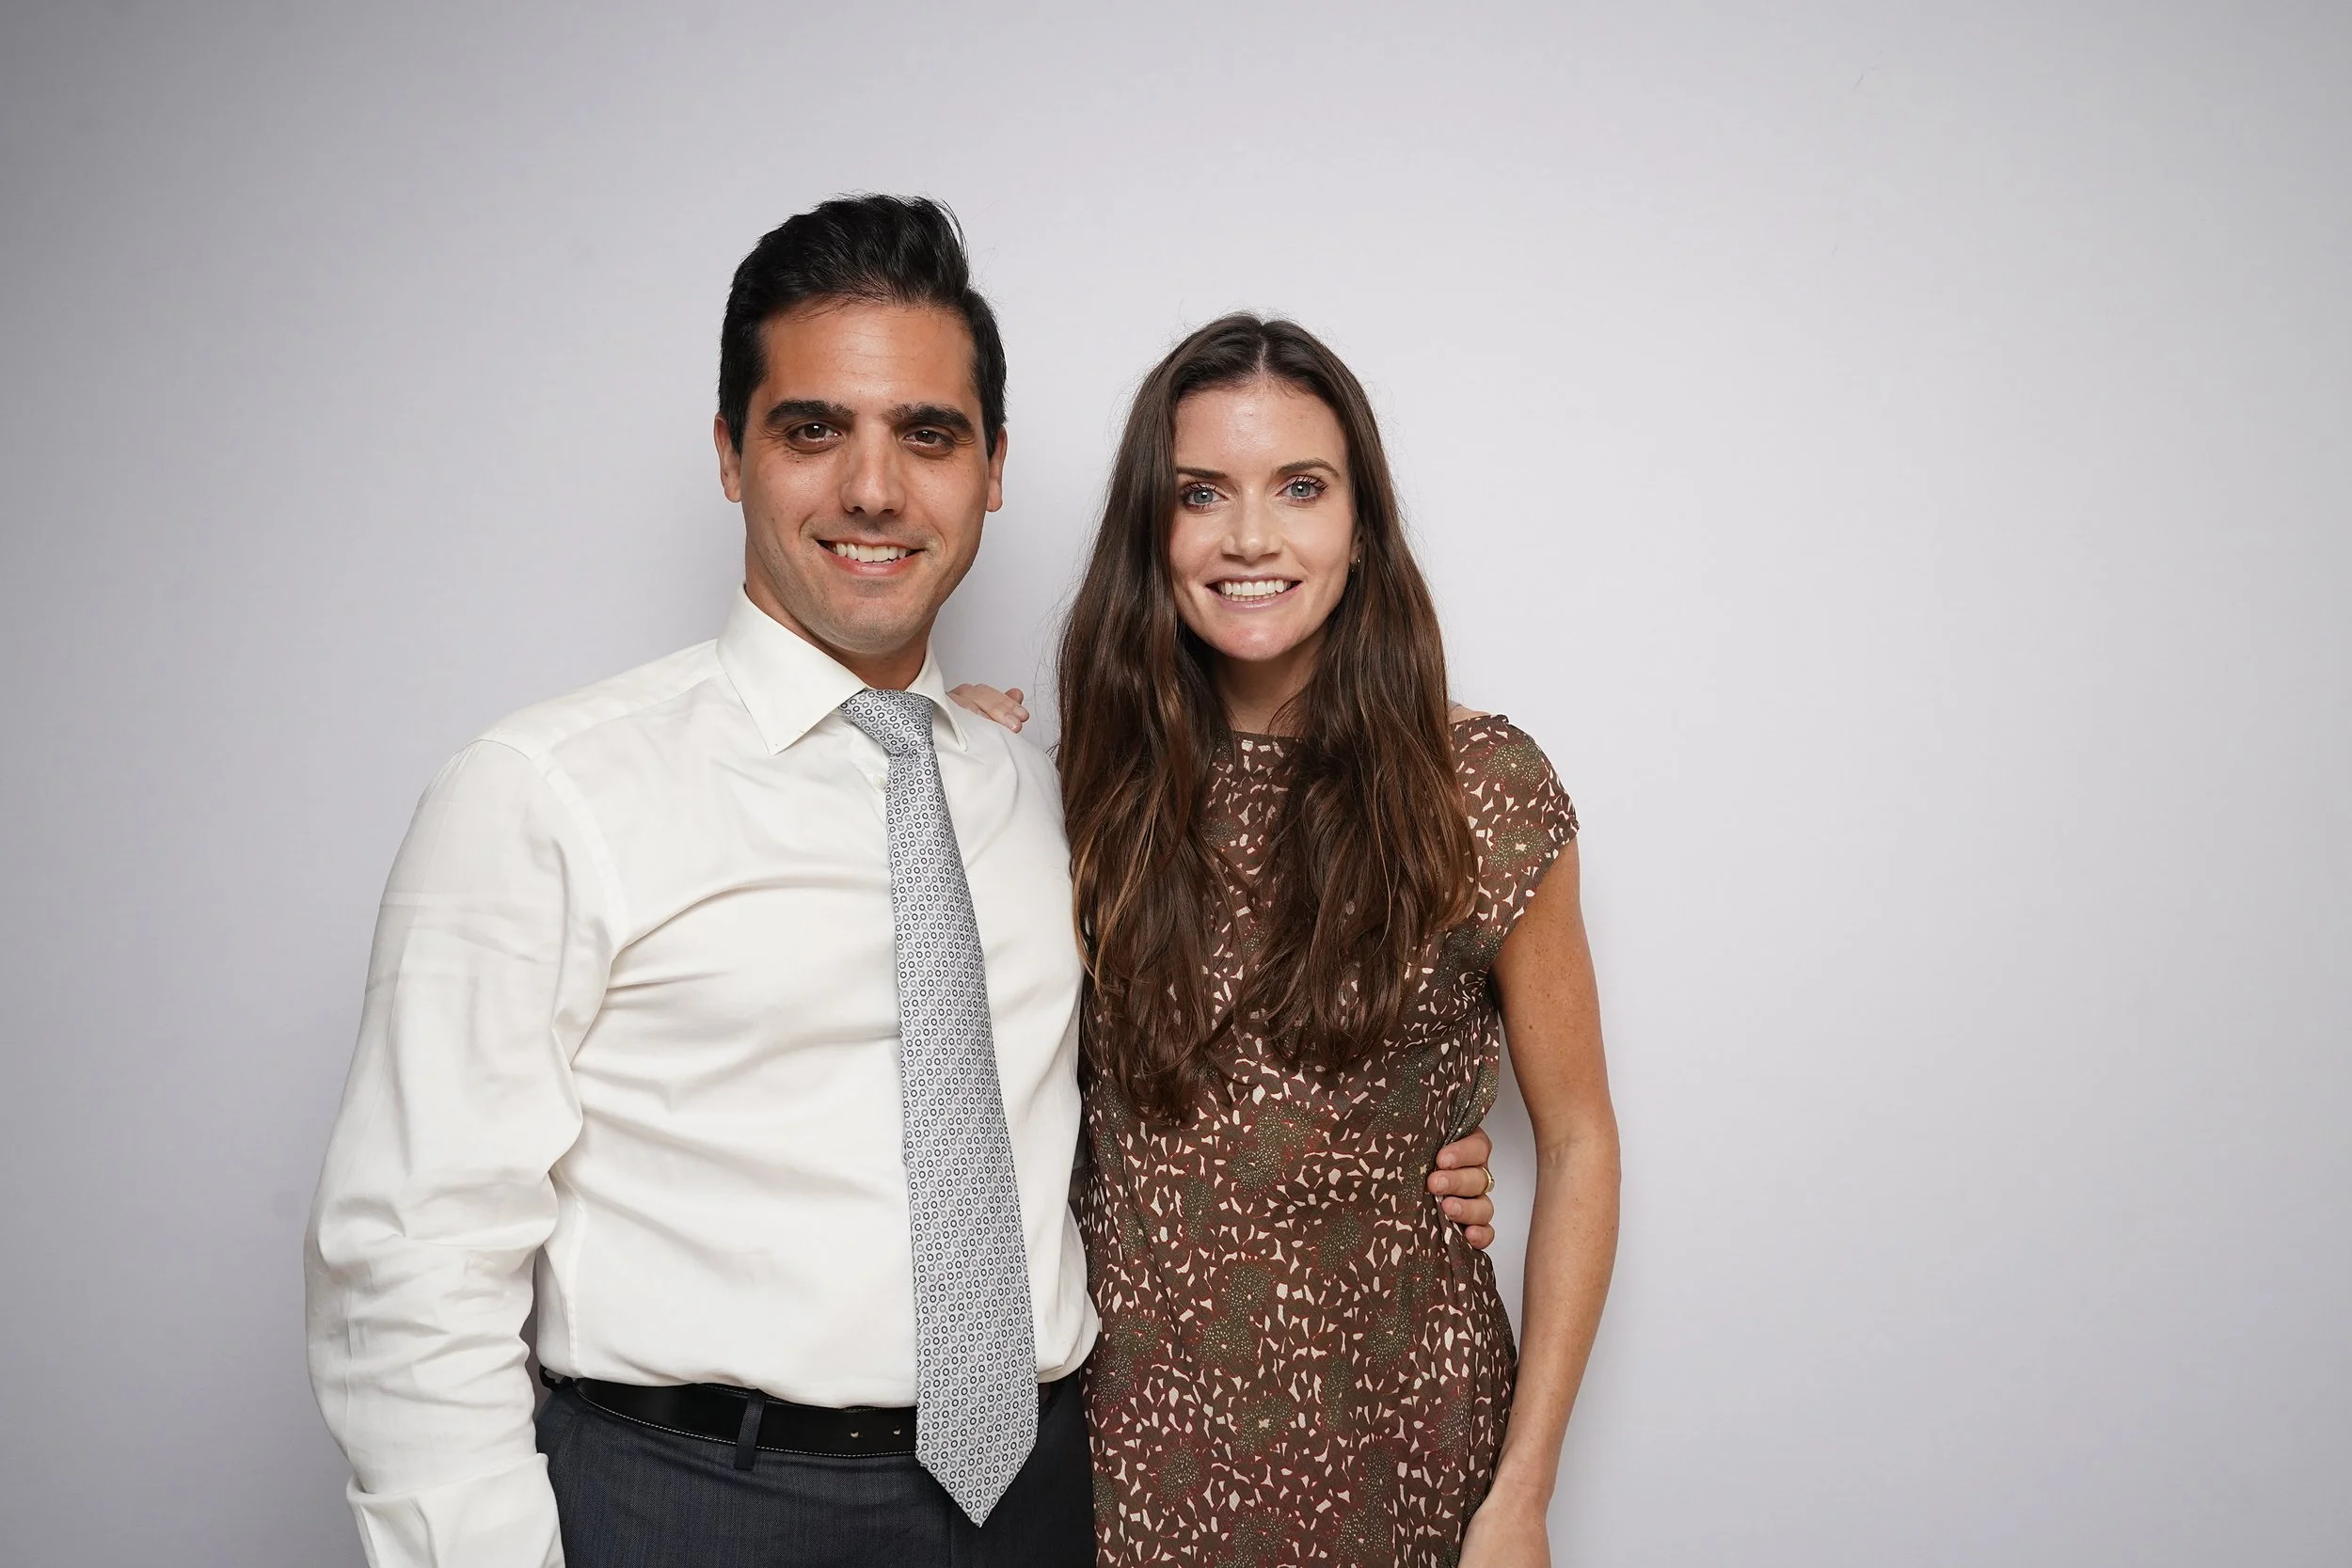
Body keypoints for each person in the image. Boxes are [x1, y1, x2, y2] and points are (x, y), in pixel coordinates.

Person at [304, 196, 1500, 1568]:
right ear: (728, 454)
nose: (873, 487)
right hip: (695, 1503)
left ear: (993, 468)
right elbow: (408, 1262)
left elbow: (1191, 1084)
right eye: (812, 428)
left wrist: (1407, 1157)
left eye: (926, 434)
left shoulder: (1050, 804)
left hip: (1040, 1503)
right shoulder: (546, 790)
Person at [958, 315, 1619, 1566]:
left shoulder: (1482, 787)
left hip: (1407, 1440)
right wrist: (948, 735)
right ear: (1153, 530)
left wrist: (1523, 1491)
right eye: (1202, 493)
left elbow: (1580, 1138)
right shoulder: (1084, 786)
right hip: (1136, 1448)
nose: (1250, 537)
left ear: (1360, 524)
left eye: (1299, 489)